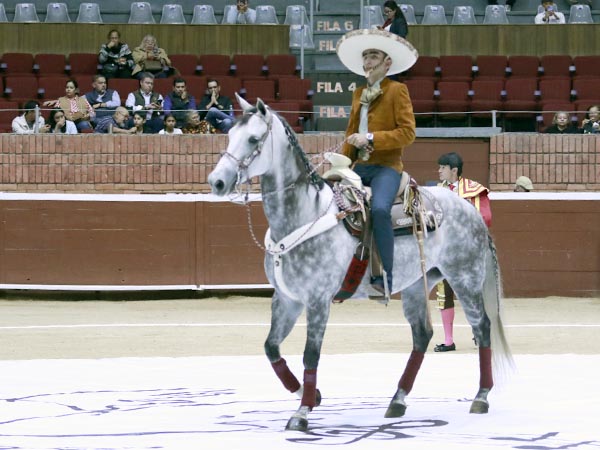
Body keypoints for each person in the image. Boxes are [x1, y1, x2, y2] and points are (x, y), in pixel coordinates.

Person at [336, 29, 417, 297]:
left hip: (386, 167)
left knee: (381, 210)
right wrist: (340, 164)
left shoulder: (397, 90)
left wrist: (370, 137)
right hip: (359, 167)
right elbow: (350, 135)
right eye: (366, 57)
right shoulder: (358, 92)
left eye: (374, 56)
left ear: (387, 63)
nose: (368, 61)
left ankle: (387, 275)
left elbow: (408, 133)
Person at [435, 152, 492, 352]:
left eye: (442, 167)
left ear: (454, 170)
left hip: (468, 251)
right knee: (444, 293)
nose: (439, 171)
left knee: (474, 293)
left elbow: (484, 218)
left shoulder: (474, 190)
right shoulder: (437, 192)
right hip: (445, 251)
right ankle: (449, 340)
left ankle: (479, 333)